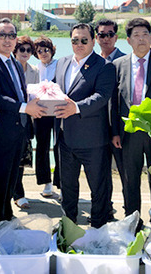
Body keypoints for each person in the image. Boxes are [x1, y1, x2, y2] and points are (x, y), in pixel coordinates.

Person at [0, 18, 44, 229]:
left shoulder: (14, 62)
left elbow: (18, 94)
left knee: (9, 186)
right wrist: (26, 108)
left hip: (17, 135)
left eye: (11, 35)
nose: (8, 40)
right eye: (2, 35)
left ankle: (5, 226)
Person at [111, 18, 151, 231]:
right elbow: (114, 102)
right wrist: (115, 132)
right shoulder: (118, 65)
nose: (142, 38)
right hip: (128, 132)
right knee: (130, 179)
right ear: (128, 40)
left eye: (145, 34)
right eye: (136, 35)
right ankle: (133, 220)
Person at [54, 23, 115, 228]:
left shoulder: (104, 65)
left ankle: (99, 227)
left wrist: (77, 108)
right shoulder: (62, 62)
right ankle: (68, 226)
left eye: (83, 40)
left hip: (93, 141)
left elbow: (102, 96)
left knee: (99, 188)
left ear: (93, 40)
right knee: (67, 187)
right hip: (65, 138)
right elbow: (56, 91)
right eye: (74, 40)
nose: (79, 44)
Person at [95, 18, 125, 220]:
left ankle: (132, 213)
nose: (106, 39)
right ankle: (105, 210)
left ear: (116, 36)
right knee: (101, 172)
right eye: (101, 35)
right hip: (97, 126)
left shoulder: (125, 60)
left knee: (126, 173)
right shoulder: (92, 60)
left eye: (110, 34)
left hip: (120, 128)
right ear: (96, 38)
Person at [12, 36, 39, 209]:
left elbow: (36, 94)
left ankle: (18, 193)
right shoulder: (8, 67)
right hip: (10, 116)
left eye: (29, 50)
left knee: (21, 158)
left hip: (27, 119)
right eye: (22, 49)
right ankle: (14, 193)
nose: (25, 53)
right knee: (9, 158)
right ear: (15, 50)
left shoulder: (34, 70)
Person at [32, 36, 60, 198]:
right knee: (42, 147)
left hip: (58, 111)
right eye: (39, 51)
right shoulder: (35, 68)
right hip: (40, 112)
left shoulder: (61, 65)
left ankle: (61, 182)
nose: (43, 53)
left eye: (46, 50)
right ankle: (46, 182)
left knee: (58, 146)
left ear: (52, 50)